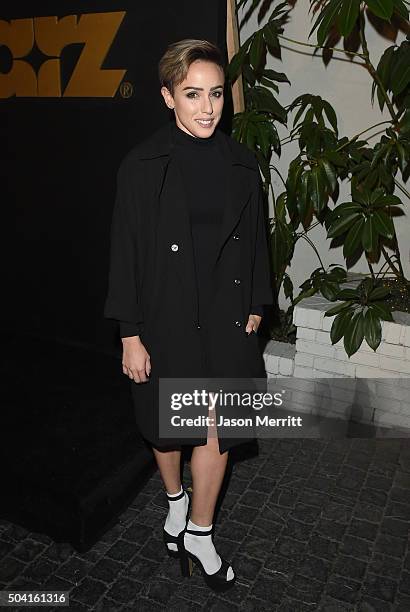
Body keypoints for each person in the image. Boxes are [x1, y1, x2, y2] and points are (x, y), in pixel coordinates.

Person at [104, 39, 273, 591]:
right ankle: (174, 500)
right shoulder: (142, 166)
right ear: (167, 96)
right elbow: (125, 252)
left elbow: (256, 242)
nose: (207, 107)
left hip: (226, 315)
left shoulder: (243, 164)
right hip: (165, 313)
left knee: (218, 426)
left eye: (216, 94)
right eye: (192, 94)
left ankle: (200, 531)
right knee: (168, 424)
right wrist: (130, 333)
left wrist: (255, 303)